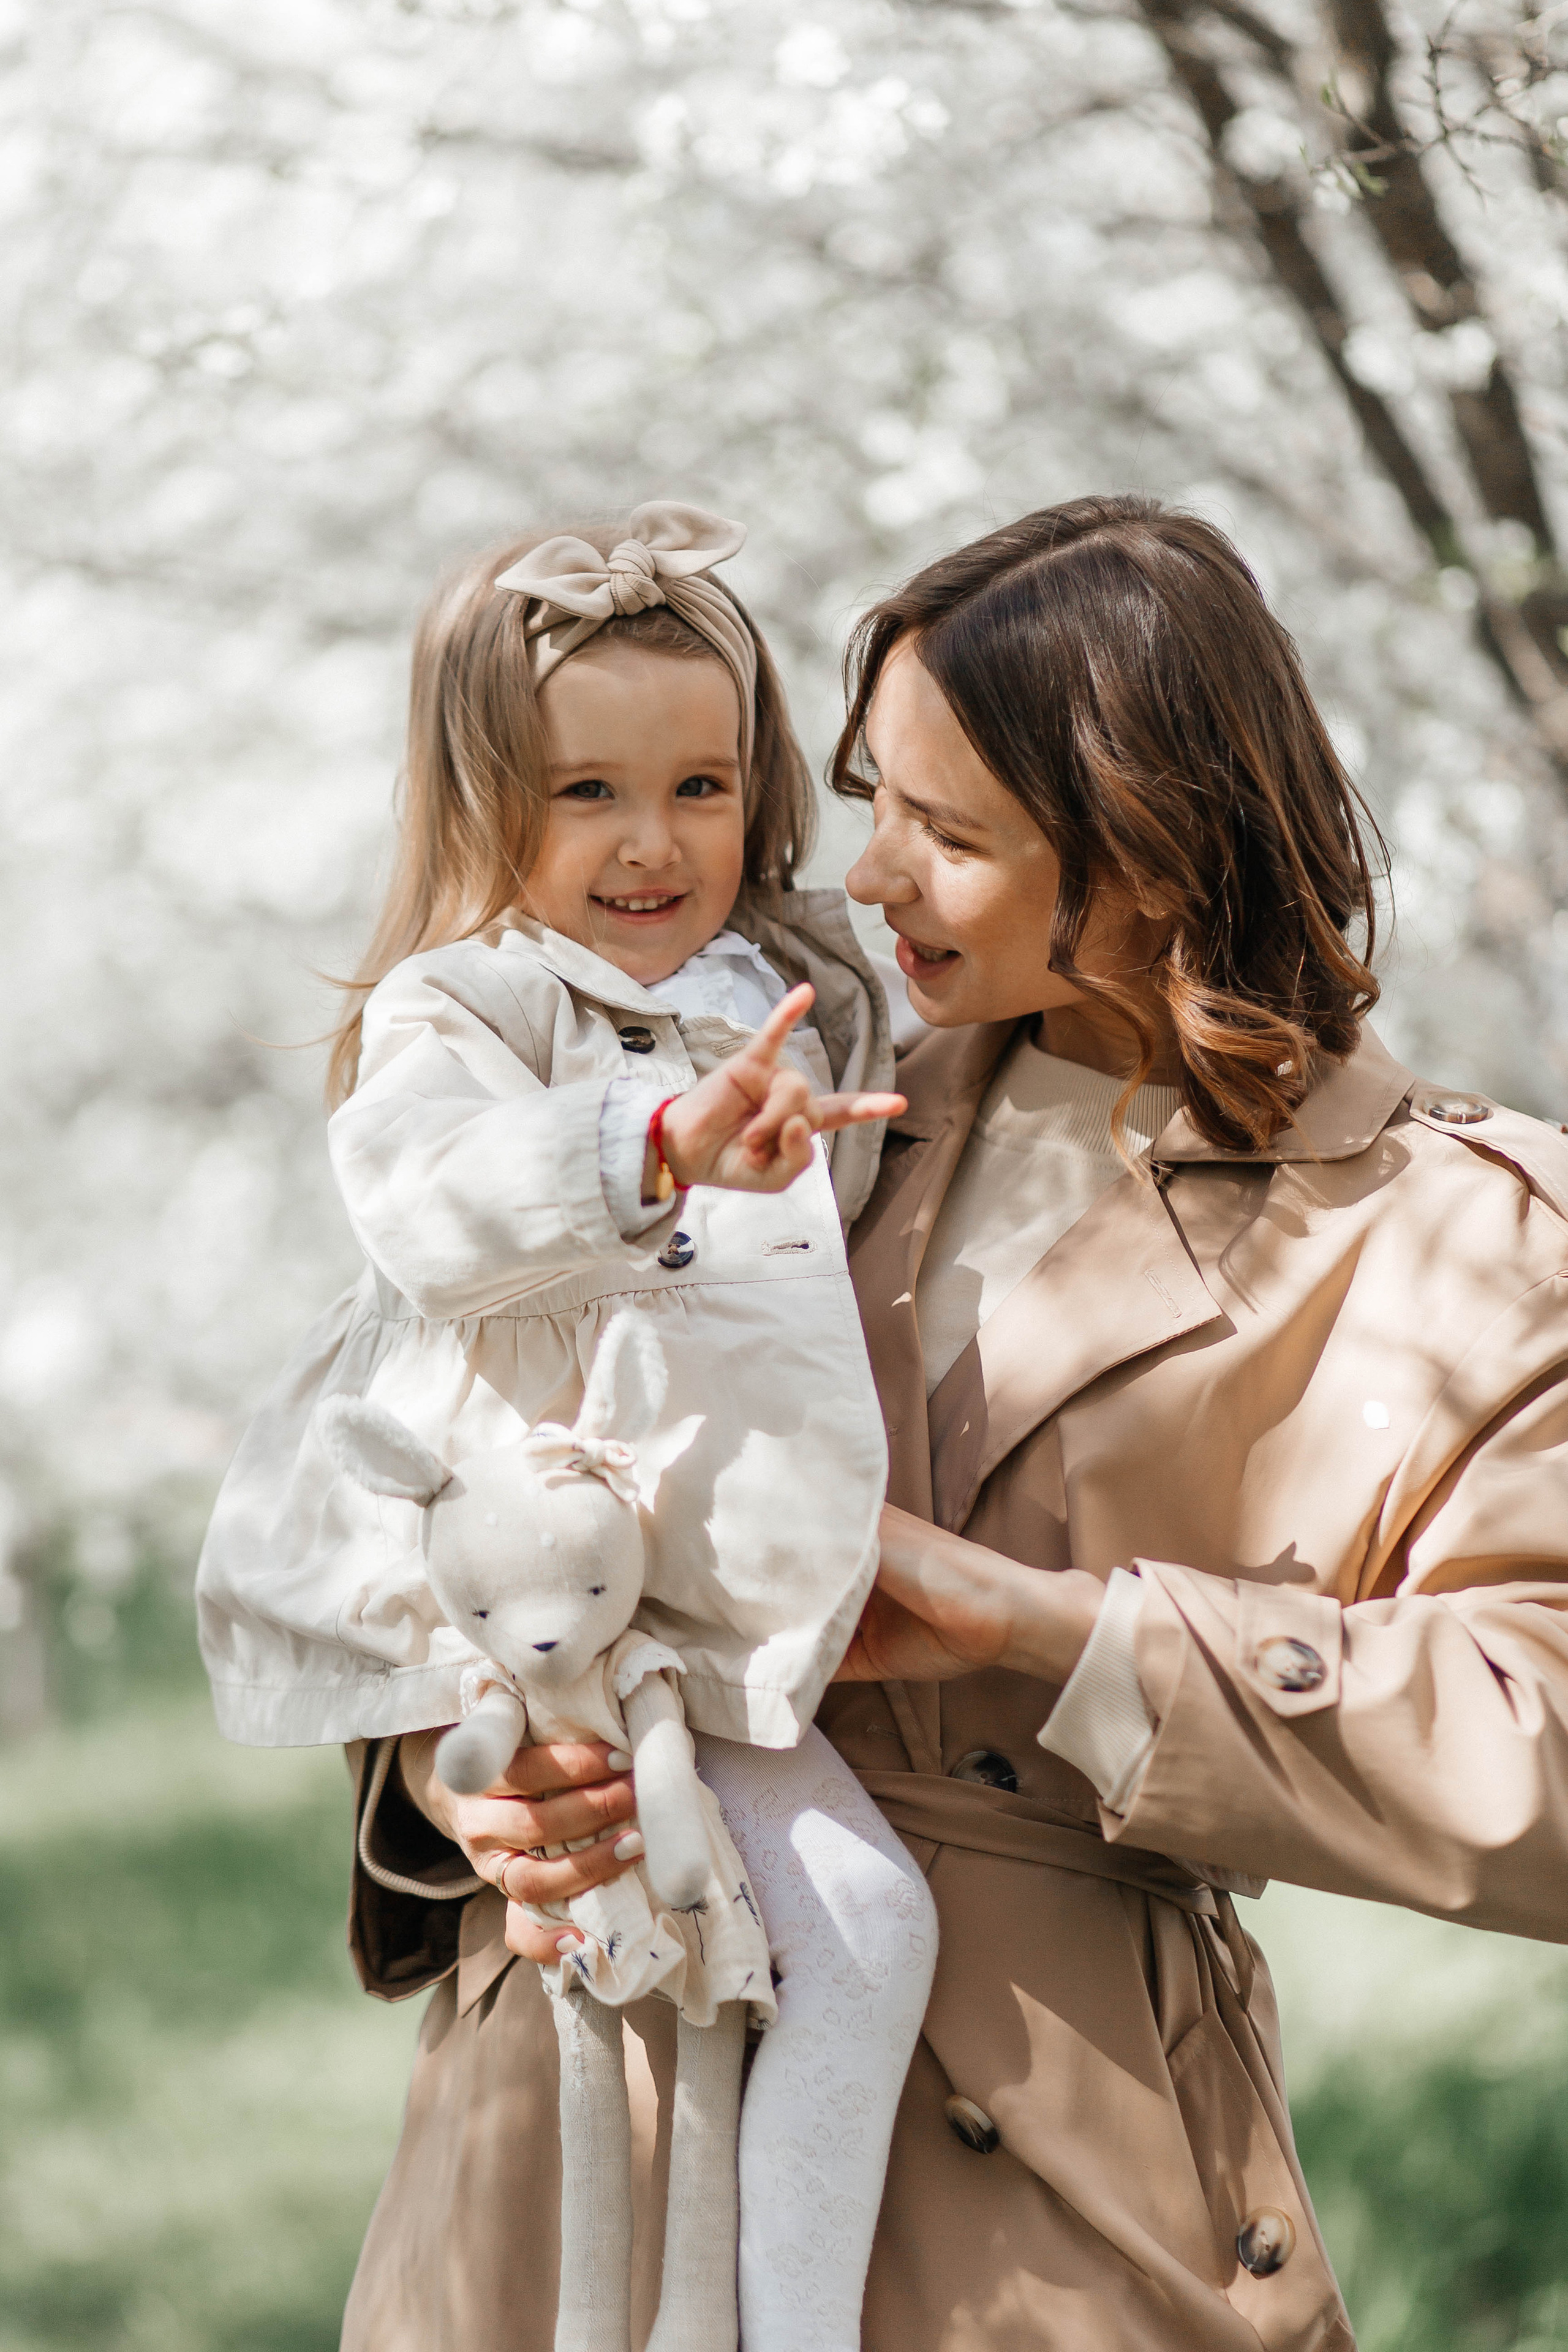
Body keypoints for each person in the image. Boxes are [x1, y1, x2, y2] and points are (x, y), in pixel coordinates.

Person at [434, 492, 1568, 2352]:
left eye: (947, 833)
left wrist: (1040, 1634)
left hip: (1052, 2186)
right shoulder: (772, 1096)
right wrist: (474, 1780)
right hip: (583, 2120)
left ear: (1148, 846)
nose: (868, 881)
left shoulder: (1460, 1234)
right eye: (873, 794)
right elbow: (472, 1475)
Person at [195, 501, 938, 2352]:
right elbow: (438, 1198)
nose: (650, 842)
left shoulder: (784, 985)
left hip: (724, 1583)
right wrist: (656, 1145)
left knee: (762, 1967)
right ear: (476, 804)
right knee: (811, 1942)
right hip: (594, 1611)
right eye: (584, 789)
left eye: (701, 784)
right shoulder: (472, 1008)